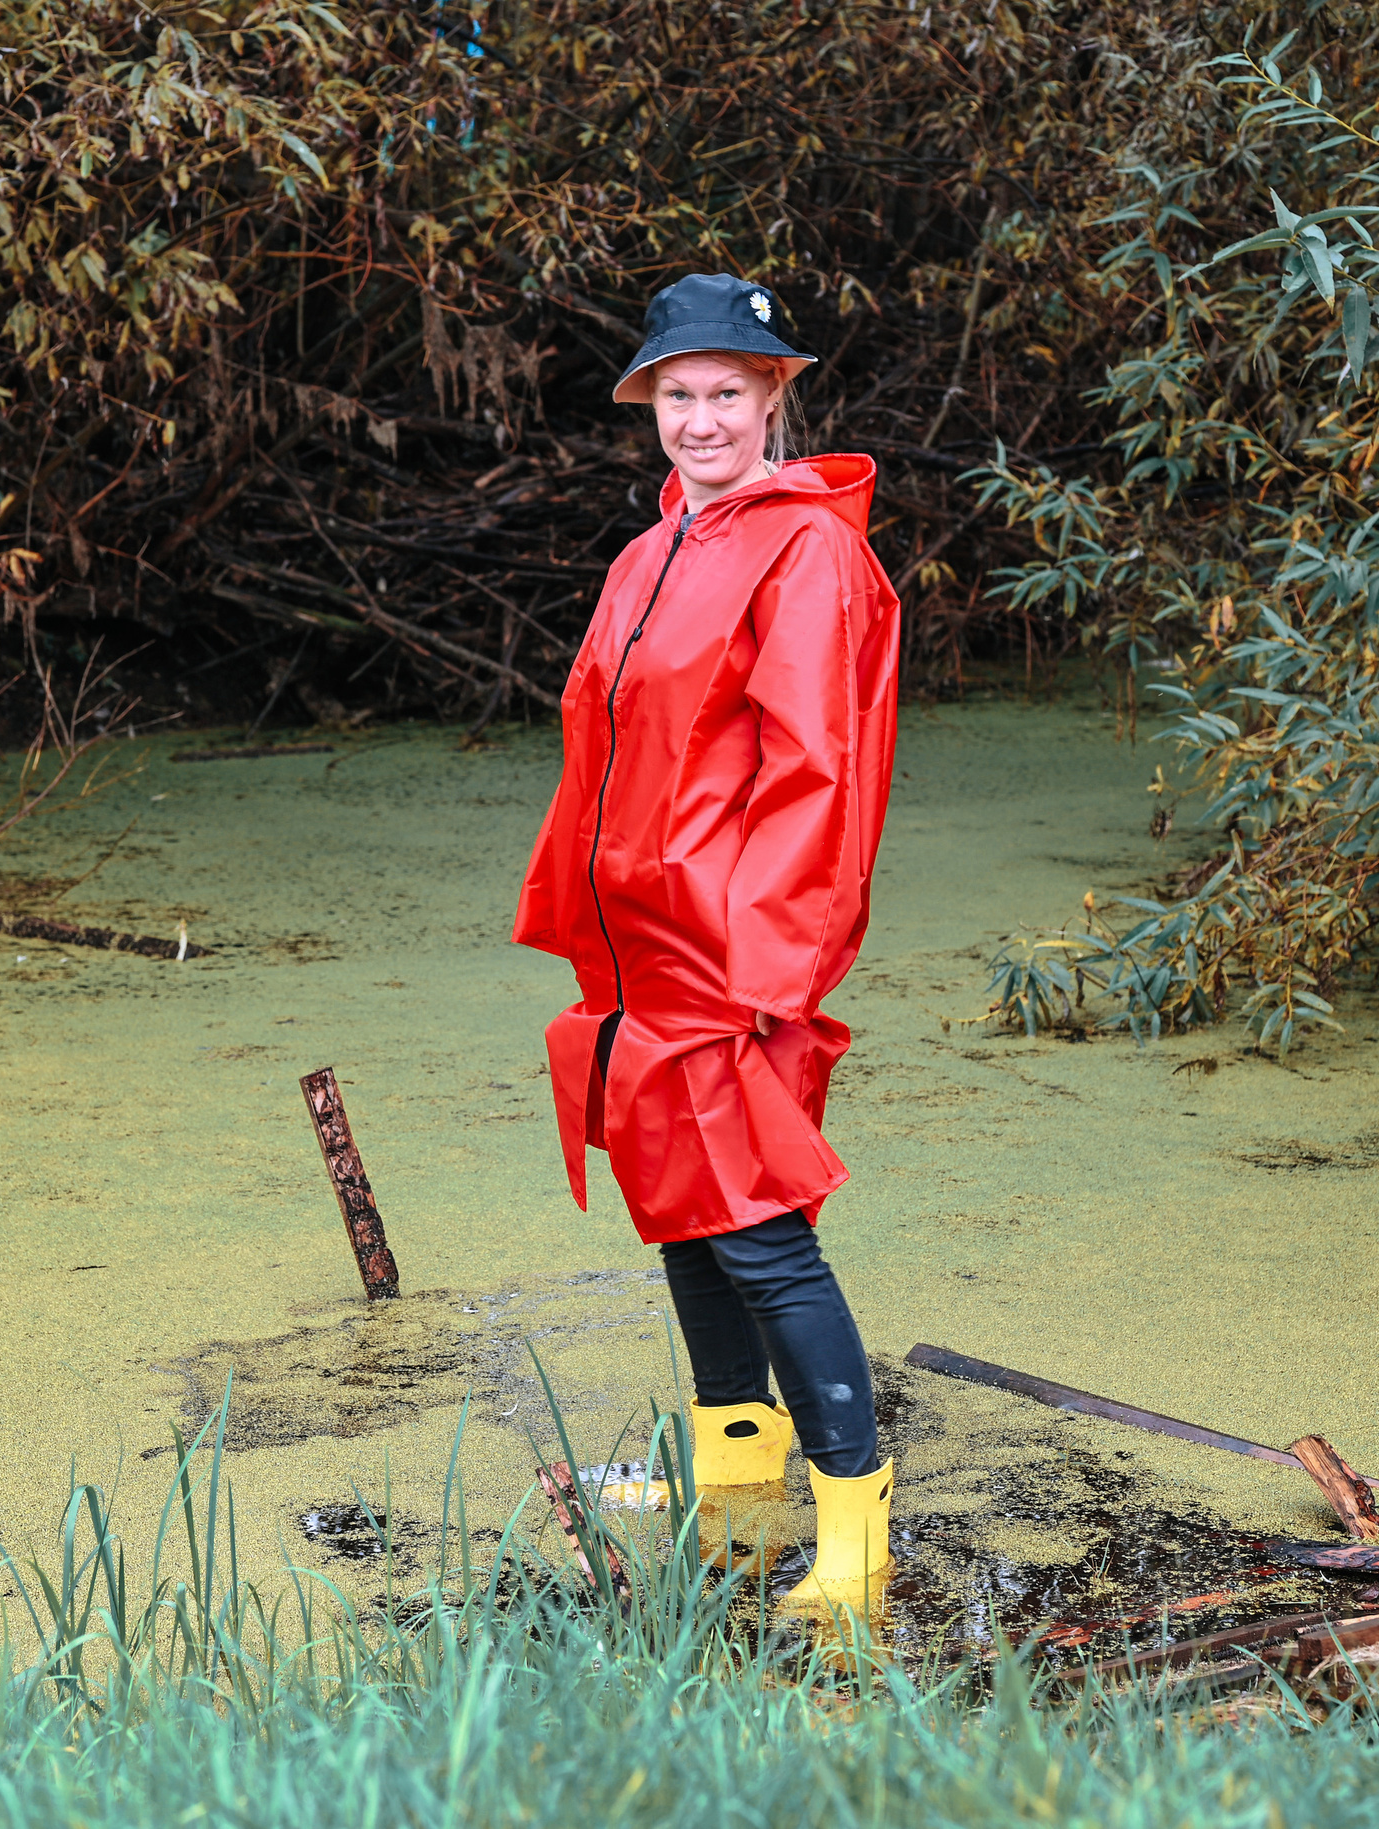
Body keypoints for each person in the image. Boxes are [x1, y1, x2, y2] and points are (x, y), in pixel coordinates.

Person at [514, 273, 901, 1616]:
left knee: (765, 1237)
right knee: (684, 1223)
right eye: (677, 396)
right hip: (642, 958)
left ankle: (855, 1539)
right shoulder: (651, 552)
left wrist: (766, 973)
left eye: (726, 393)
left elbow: (820, 776)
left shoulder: (808, 553)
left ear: (774, 396)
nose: (700, 419)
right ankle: (732, 1483)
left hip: (734, 959)